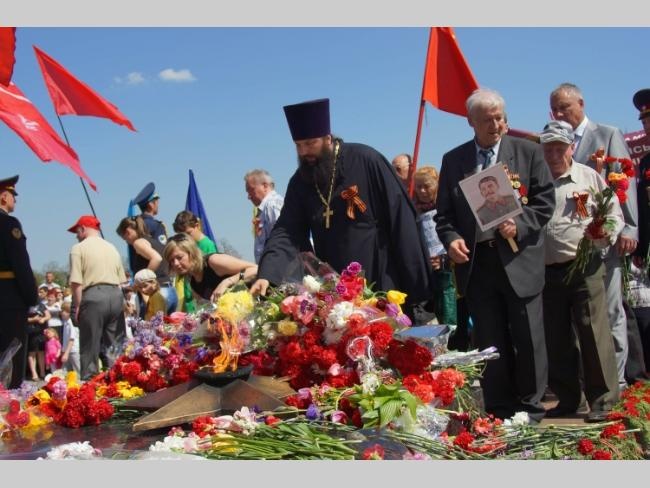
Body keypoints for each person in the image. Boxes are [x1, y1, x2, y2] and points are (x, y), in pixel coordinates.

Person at [435, 88, 555, 421]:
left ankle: (531, 407)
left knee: (528, 336)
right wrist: (451, 239)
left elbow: (545, 201)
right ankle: (499, 408)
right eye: (487, 120)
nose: (495, 125)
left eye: (499, 118)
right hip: (479, 263)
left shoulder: (528, 152)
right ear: (471, 122)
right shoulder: (454, 160)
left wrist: (520, 223)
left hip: (519, 259)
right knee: (489, 338)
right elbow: (444, 215)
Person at [250, 98, 432, 313]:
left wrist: (419, 290)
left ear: (327, 138)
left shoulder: (366, 160)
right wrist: (267, 273)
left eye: (310, 143)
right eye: (298, 145)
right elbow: (286, 231)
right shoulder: (300, 182)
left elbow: (401, 219)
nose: (304, 152)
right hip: (335, 295)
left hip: (381, 279)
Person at [550, 83, 638, 390]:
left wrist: (629, 227)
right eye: (554, 109)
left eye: (564, 107)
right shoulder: (551, 146)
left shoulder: (607, 134)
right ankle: (588, 384)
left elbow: (624, 182)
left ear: (581, 103)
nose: (559, 113)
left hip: (605, 241)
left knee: (610, 314)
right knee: (582, 323)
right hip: (570, 251)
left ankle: (618, 383)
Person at [539, 120, 622, 422]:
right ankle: (567, 399)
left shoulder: (588, 177)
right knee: (556, 337)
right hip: (546, 271)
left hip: (584, 266)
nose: (553, 155)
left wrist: (606, 232)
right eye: (548, 149)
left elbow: (613, 213)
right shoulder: (534, 180)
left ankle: (604, 401)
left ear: (571, 147)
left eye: (559, 148)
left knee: (593, 333)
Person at [68, 215, 127, 380]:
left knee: (90, 345)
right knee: (116, 345)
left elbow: (76, 282)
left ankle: (90, 382)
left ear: (83, 229)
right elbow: (121, 280)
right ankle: (120, 380)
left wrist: (78, 306)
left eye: (77, 232)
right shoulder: (112, 247)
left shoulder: (78, 248)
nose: (76, 236)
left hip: (93, 295)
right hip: (115, 295)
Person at [0, 175, 38, 388]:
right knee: (11, 356)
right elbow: (20, 263)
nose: (15, 199)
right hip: (8, 299)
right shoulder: (9, 224)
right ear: (3, 197)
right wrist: (31, 297)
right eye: (13, 195)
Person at [413, 166, 456, 325]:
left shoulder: (447, 206)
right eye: (419, 186)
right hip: (427, 271)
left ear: (437, 185)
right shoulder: (413, 209)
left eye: (427, 186)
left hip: (450, 269)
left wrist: (445, 258)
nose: (422, 191)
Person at [164, 233, 258, 303]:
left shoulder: (214, 261)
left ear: (192, 252)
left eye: (179, 257)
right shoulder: (192, 281)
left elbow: (256, 269)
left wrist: (228, 281)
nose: (175, 264)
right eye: (171, 260)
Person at [116, 216, 178, 314]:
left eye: (125, 239)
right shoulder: (153, 242)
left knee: (150, 323)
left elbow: (156, 258)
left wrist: (142, 279)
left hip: (158, 293)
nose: (127, 242)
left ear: (128, 232)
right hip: (170, 290)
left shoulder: (138, 242)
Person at [172, 210, 219, 313]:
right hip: (190, 297)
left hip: (203, 299)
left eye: (188, 233)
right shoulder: (187, 245)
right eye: (182, 236)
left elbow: (210, 275)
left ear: (197, 226)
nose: (186, 238)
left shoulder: (207, 245)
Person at [244, 169, 285, 264]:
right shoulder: (265, 208)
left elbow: (282, 242)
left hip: (278, 267)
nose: (248, 196)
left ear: (265, 186)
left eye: (251, 190)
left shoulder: (272, 205)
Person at [632, 88, 650, 268]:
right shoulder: (645, 162)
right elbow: (644, 209)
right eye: (645, 122)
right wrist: (641, 249)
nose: (647, 127)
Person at [60, 302, 81, 375]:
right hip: (67, 350)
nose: (62, 313)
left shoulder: (71, 323)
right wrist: (63, 351)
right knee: (65, 372)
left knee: (77, 370)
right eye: (62, 311)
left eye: (65, 311)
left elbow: (72, 339)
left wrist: (66, 353)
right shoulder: (65, 323)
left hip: (73, 350)